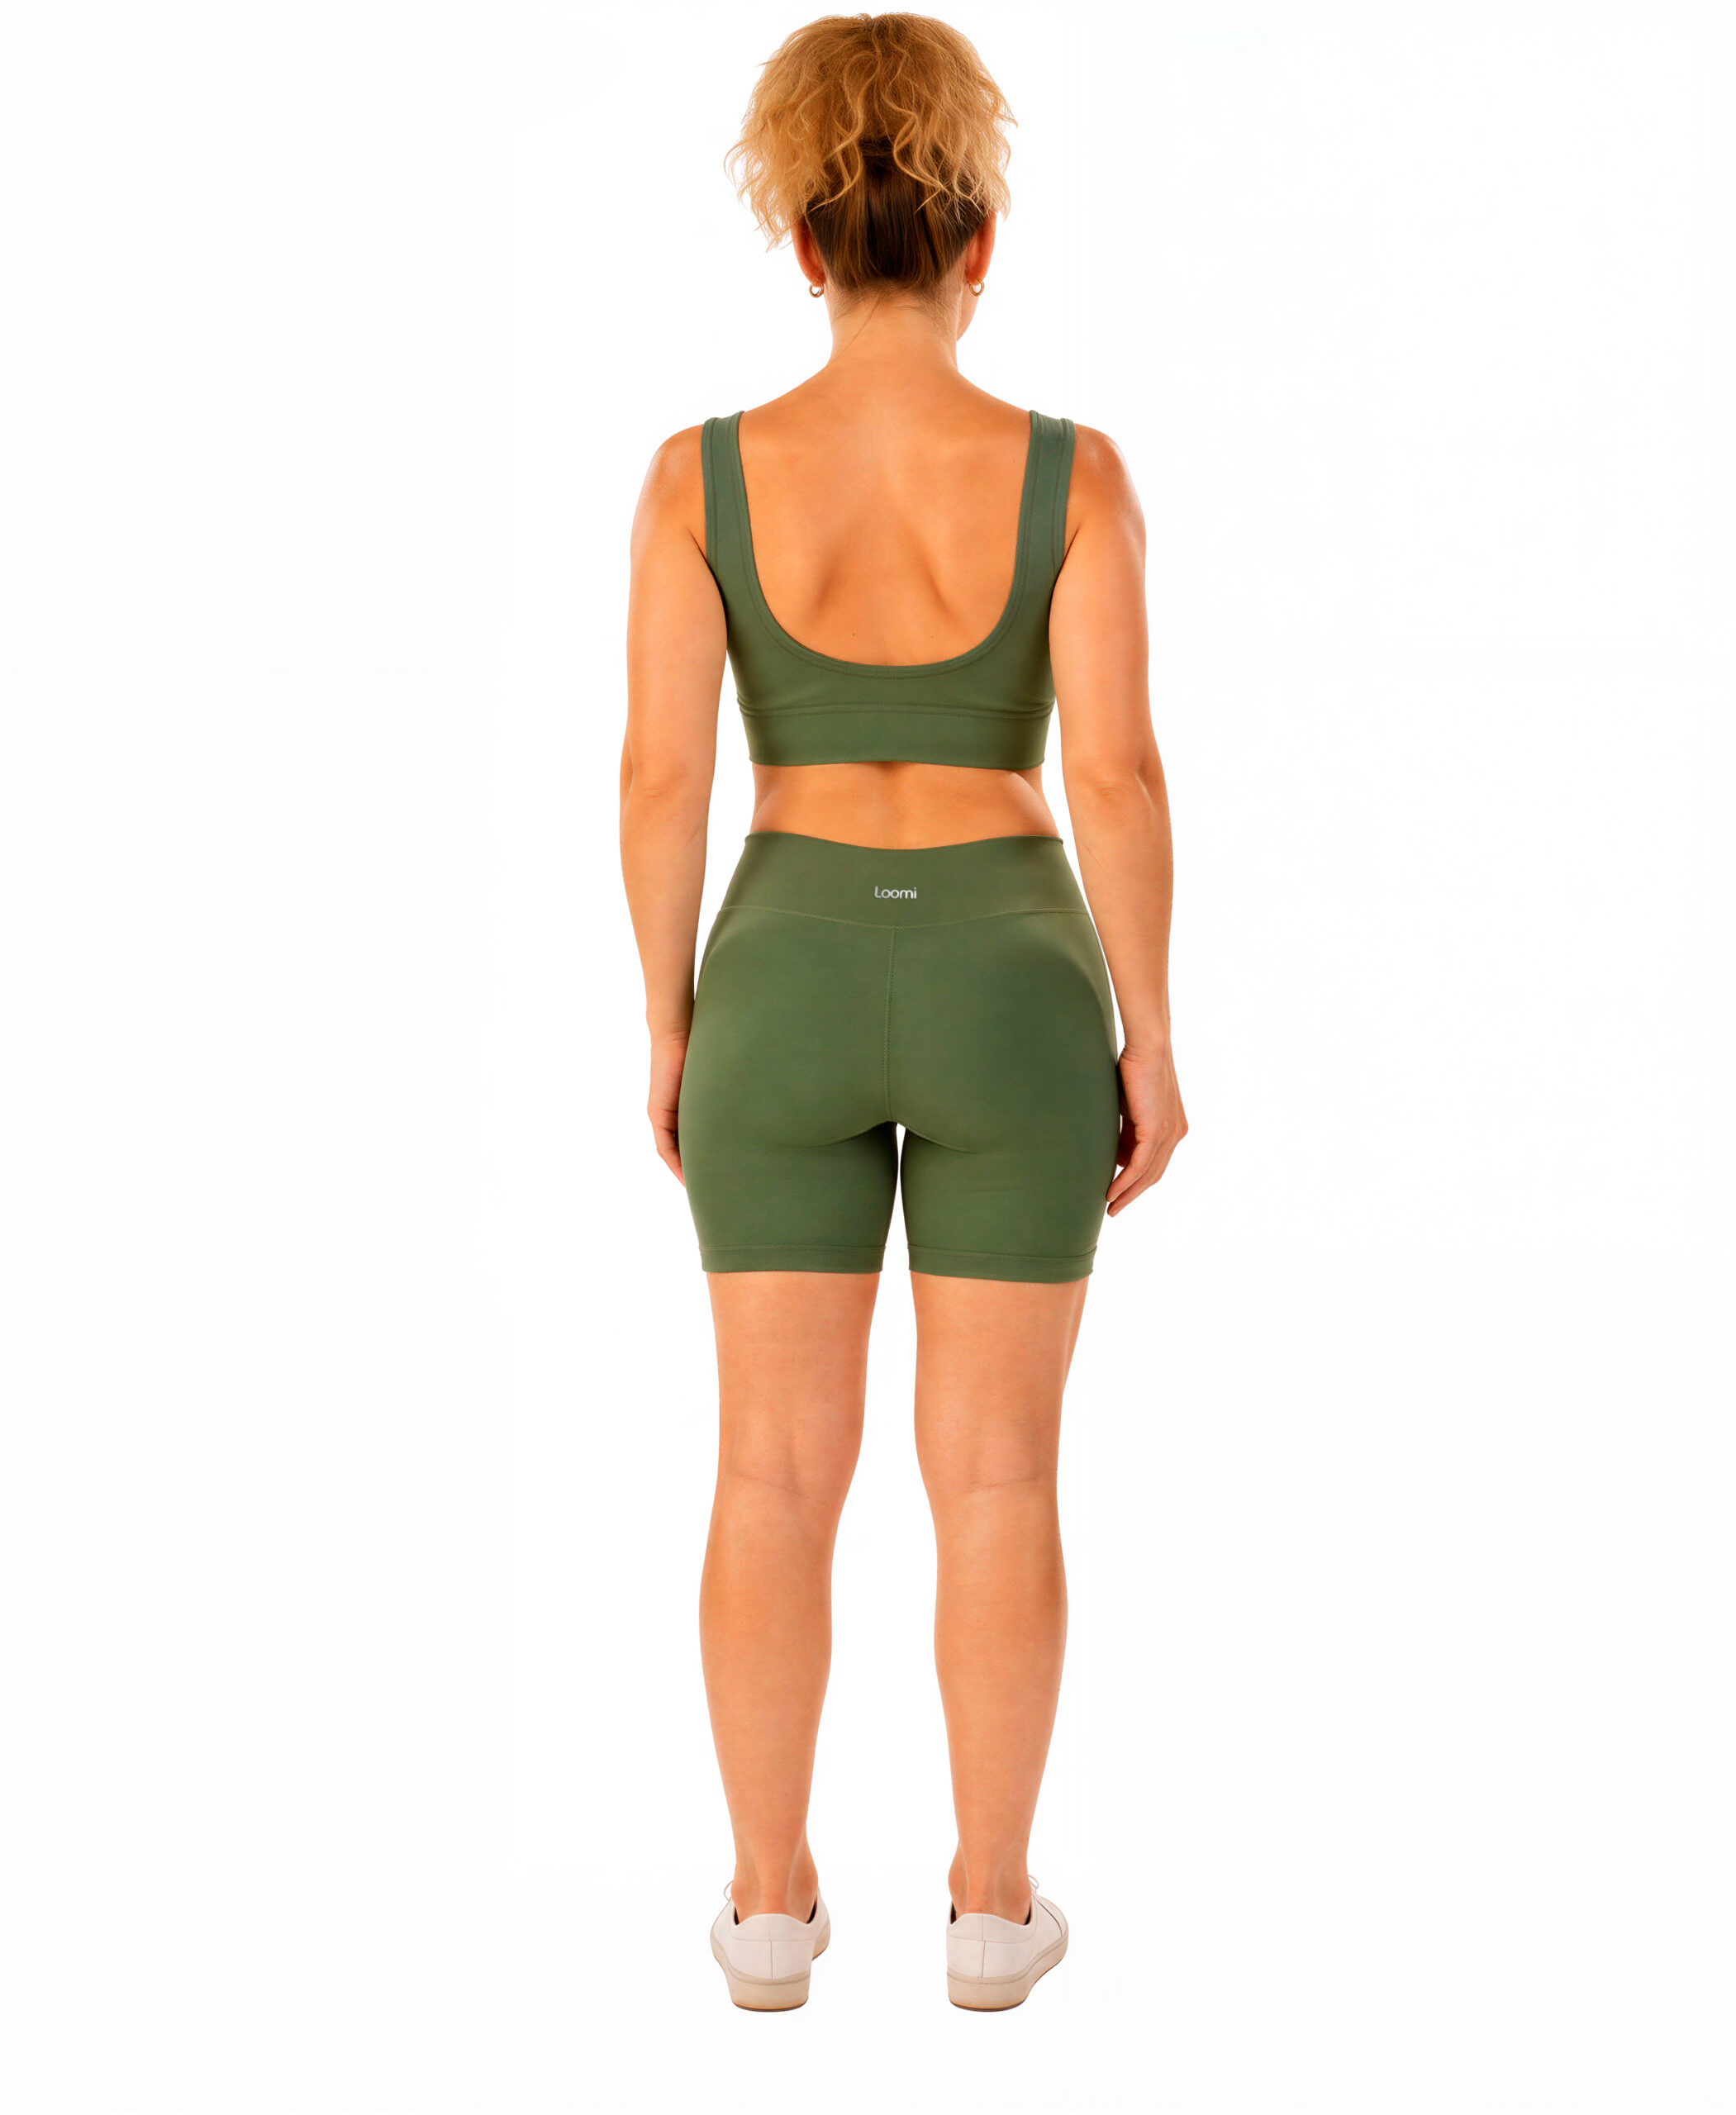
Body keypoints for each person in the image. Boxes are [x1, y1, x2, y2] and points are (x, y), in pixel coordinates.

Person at [620, 10, 1184, 2013]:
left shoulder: (697, 480)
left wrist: (672, 1021)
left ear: (799, 241)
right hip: (1007, 975)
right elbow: (1109, 771)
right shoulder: (1072, 476)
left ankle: (769, 1907)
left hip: (779, 967)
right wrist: (1150, 1034)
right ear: (978, 244)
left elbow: (659, 775)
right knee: (999, 1472)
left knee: (769, 1468)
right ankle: (989, 1906)